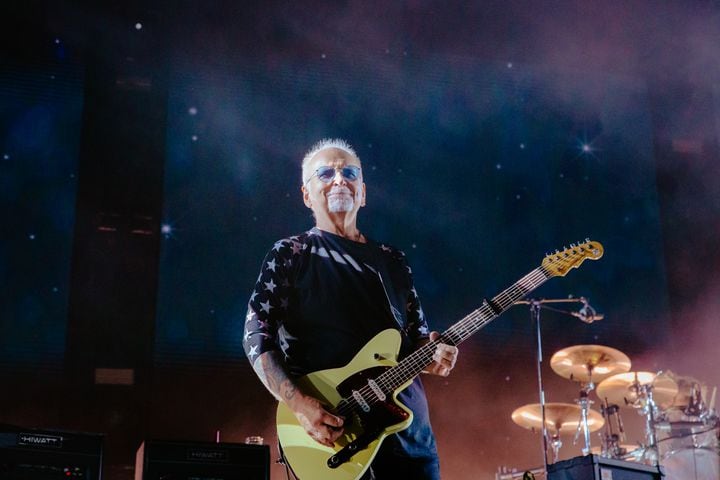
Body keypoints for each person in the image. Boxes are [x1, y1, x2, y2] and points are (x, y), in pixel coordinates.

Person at [243, 138, 459, 479]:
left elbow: (417, 340)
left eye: (350, 173)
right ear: (305, 195)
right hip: (336, 435)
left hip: (411, 440)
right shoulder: (290, 254)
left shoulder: (393, 260)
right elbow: (256, 338)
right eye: (326, 172)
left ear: (363, 192)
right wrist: (300, 406)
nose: (339, 179)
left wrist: (435, 357)